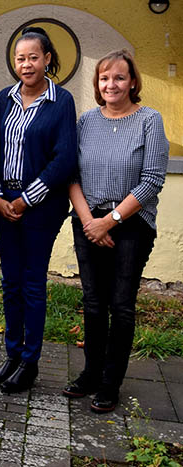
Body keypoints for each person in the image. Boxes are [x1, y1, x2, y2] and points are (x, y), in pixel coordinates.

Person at [62, 49, 168, 413]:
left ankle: (111, 383)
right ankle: (91, 373)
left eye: (119, 78)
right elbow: (71, 175)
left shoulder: (149, 120)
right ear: (97, 84)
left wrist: (110, 221)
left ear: (133, 82)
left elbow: (152, 180)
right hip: (88, 220)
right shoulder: (85, 122)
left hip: (131, 226)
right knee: (93, 303)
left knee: (120, 305)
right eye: (104, 78)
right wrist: (90, 221)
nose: (111, 84)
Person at [0, 27, 77, 393]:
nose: (26, 64)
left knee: (32, 283)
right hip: (3, 203)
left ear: (48, 59)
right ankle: (12, 353)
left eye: (33, 57)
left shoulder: (62, 101)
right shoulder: (4, 98)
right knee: (10, 282)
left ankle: (30, 361)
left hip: (40, 207)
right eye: (20, 58)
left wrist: (26, 198)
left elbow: (64, 159)